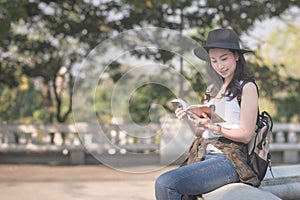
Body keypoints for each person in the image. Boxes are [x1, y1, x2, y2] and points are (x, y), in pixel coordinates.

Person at [155, 28, 261, 200]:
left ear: (236, 56)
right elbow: (200, 132)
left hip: (230, 160)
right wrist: (187, 118)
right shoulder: (212, 89)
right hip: (203, 153)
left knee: (166, 183)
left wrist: (215, 128)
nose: (220, 66)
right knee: (166, 183)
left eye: (224, 58)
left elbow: (246, 135)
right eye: (214, 60)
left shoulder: (247, 87)